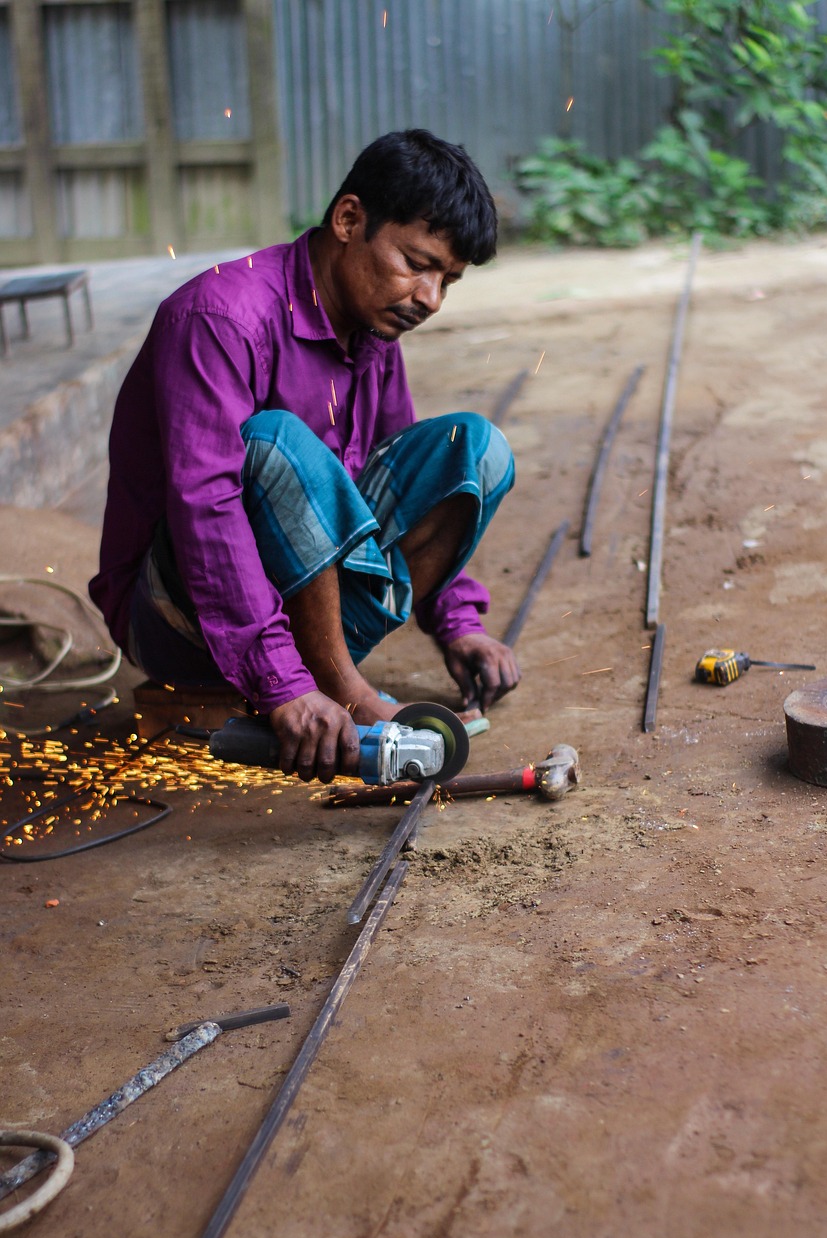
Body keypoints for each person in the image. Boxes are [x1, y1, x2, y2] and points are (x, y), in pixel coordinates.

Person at [89, 129, 520, 783]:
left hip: (301, 610)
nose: (429, 298)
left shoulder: (373, 331)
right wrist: (281, 684)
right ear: (348, 218)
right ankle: (341, 685)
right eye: (416, 263)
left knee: (473, 449)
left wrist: (456, 621)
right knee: (277, 442)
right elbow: (205, 511)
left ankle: (329, 663)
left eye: (447, 280)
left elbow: (398, 478)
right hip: (178, 621)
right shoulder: (219, 318)